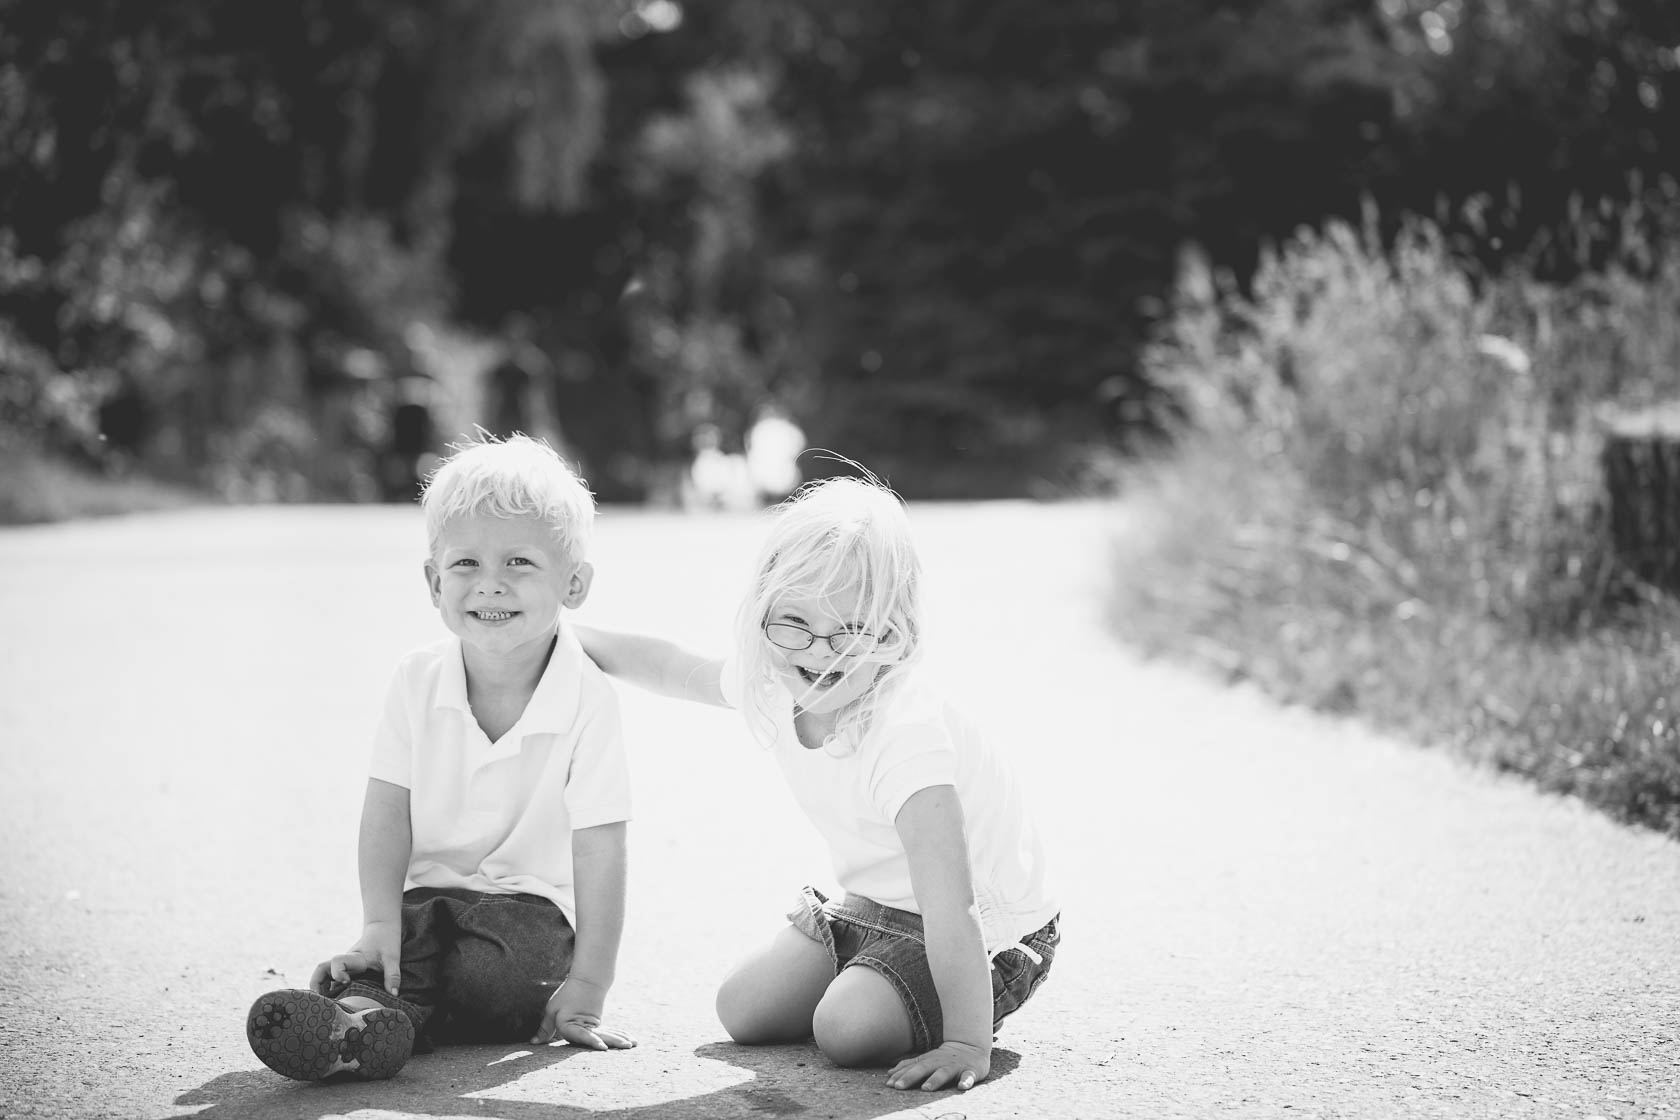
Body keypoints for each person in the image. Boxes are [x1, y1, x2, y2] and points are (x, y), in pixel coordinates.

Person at [577, 473, 1059, 1093]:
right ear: (762, 615)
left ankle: (902, 1000)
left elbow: (953, 907)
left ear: (895, 631)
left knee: (845, 1030)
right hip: (877, 907)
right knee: (743, 1009)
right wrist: (562, 636)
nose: (820, 651)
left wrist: (966, 1041)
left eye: (850, 630)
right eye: (794, 623)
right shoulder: (775, 682)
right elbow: (671, 666)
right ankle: (880, 982)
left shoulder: (906, 736)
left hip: (987, 931)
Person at [246, 433, 637, 1082]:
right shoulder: (415, 680)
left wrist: (590, 985)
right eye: (465, 566)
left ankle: (375, 1014)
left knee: (505, 973)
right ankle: (364, 1015)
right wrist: (377, 923)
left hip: (526, 914)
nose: (491, 585)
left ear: (574, 584)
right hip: (426, 900)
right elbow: (386, 812)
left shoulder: (587, 700)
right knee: (400, 942)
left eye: (519, 563)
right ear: (433, 581)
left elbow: (602, 848)